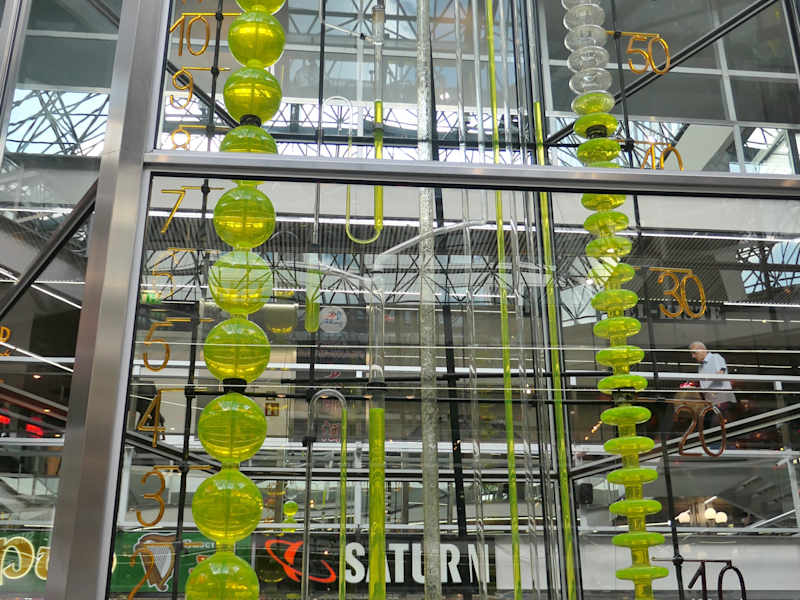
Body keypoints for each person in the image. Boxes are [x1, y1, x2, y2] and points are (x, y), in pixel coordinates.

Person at [689, 341, 736, 429]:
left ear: (702, 350)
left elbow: (720, 374)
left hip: (721, 398)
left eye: (694, 353)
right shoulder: (700, 366)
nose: (693, 356)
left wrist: (709, 390)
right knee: (710, 425)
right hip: (711, 401)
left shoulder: (715, 357)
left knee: (717, 426)